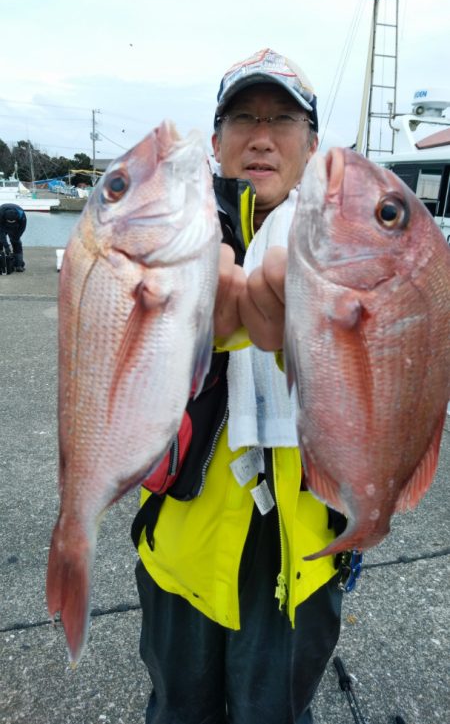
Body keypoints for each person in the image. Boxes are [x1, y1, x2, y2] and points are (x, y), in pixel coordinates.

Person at [133, 48, 348, 724]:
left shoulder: (352, 242)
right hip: (185, 540)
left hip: (301, 552)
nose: (261, 136)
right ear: (217, 138)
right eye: (244, 118)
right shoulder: (163, 229)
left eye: (282, 119)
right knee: (178, 711)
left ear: (312, 144)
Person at [0, 203, 27, 273]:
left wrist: (16, 237)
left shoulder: (22, 216)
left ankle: (19, 265)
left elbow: (22, 228)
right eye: (9, 222)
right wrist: (6, 246)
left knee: (16, 243)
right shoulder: (0, 215)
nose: (10, 223)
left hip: (16, 226)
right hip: (2, 224)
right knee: (0, 242)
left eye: (12, 222)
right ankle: (1, 263)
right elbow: (1, 233)